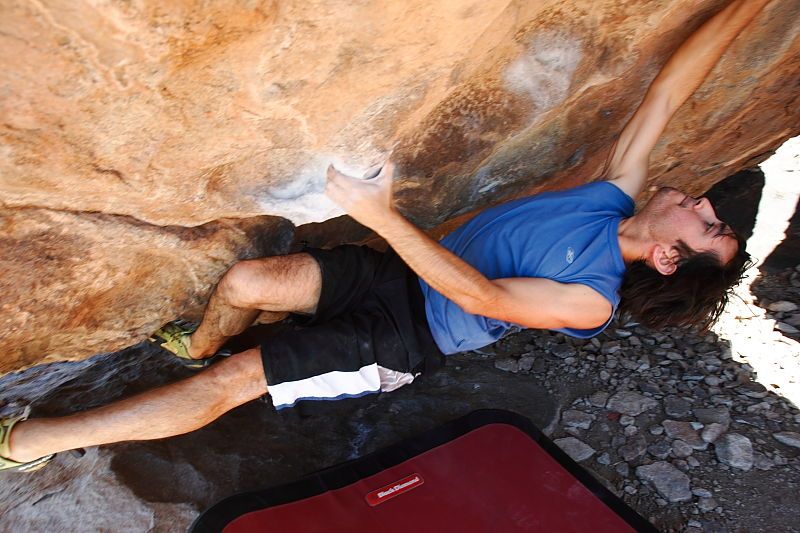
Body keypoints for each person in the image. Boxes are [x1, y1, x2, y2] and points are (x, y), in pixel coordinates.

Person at [0, 0, 765, 472]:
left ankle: (24, 445)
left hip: (403, 342)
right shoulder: (614, 196)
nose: (701, 201)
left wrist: (379, 215)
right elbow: (669, 91)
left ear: (667, 257)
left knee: (227, 388)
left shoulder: (590, 298)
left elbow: (481, 294)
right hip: (395, 274)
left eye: (709, 224)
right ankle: (201, 338)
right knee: (244, 285)